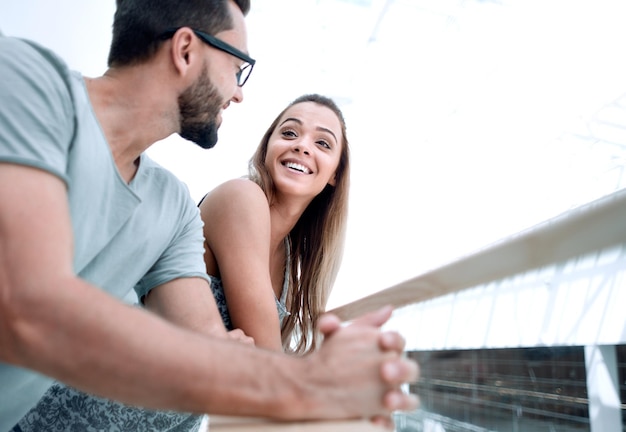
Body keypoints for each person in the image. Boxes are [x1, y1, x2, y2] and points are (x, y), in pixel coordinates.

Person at [0, 0, 419, 431]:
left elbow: (210, 347)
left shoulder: (175, 208)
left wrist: (299, 377)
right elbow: (29, 305)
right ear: (185, 50)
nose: (239, 92)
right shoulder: (26, 78)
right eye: (237, 69)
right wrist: (303, 379)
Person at [200, 93, 350, 354]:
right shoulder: (240, 197)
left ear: (335, 174)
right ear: (268, 146)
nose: (303, 146)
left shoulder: (290, 268)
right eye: (290, 133)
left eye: (323, 143)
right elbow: (268, 361)